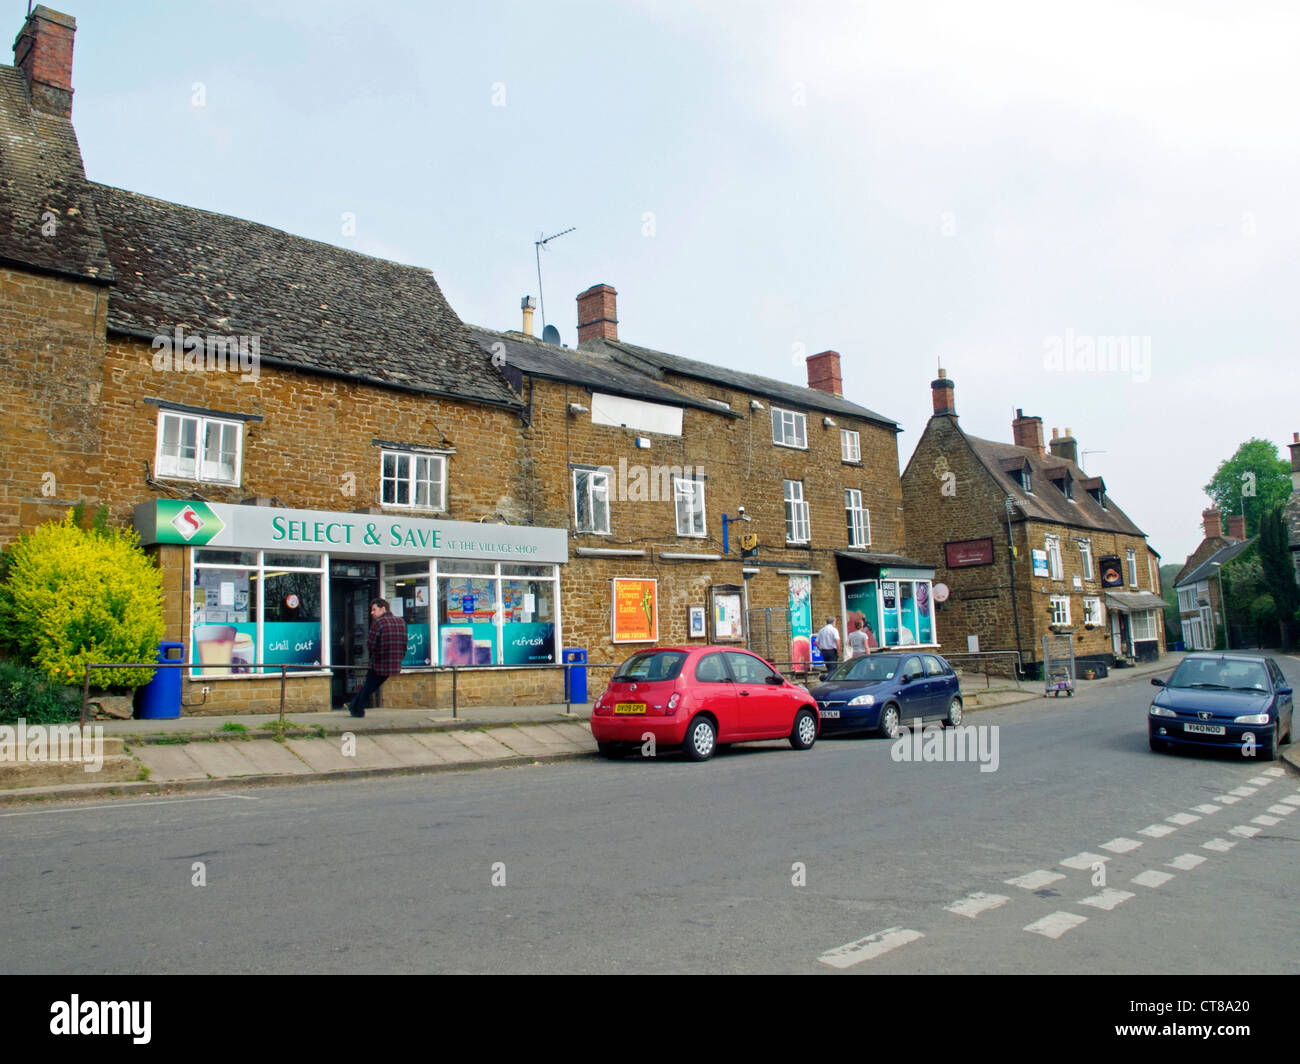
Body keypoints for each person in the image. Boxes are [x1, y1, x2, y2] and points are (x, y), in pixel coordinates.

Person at [346, 597, 407, 717]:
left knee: (369, 685)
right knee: (371, 685)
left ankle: (356, 708)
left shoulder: (378, 623)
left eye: (374, 610)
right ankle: (354, 705)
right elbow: (405, 643)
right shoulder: (401, 622)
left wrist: (373, 657)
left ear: (383, 609)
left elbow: (371, 644)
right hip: (394, 662)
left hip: (379, 662)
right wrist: (400, 657)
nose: (371, 613)